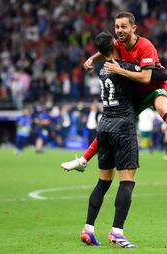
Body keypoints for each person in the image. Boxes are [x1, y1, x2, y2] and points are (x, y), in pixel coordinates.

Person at [63, 11, 167, 171]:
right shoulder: (119, 43)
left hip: (156, 86)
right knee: (113, 125)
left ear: (134, 28)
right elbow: (105, 50)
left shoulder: (145, 46)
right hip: (137, 92)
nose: (119, 30)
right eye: (117, 27)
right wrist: (91, 59)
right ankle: (83, 161)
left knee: (161, 108)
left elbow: (146, 78)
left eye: (124, 26)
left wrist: (119, 70)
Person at [64, 32, 141, 248]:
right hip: (123, 128)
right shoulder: (124, 67)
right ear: (115, 45)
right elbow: (152, 76)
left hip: (104, 126)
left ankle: (88, 229)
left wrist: (93, 58)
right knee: (127, 181)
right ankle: (117, 232)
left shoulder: (102, 70)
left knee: (103, 182)